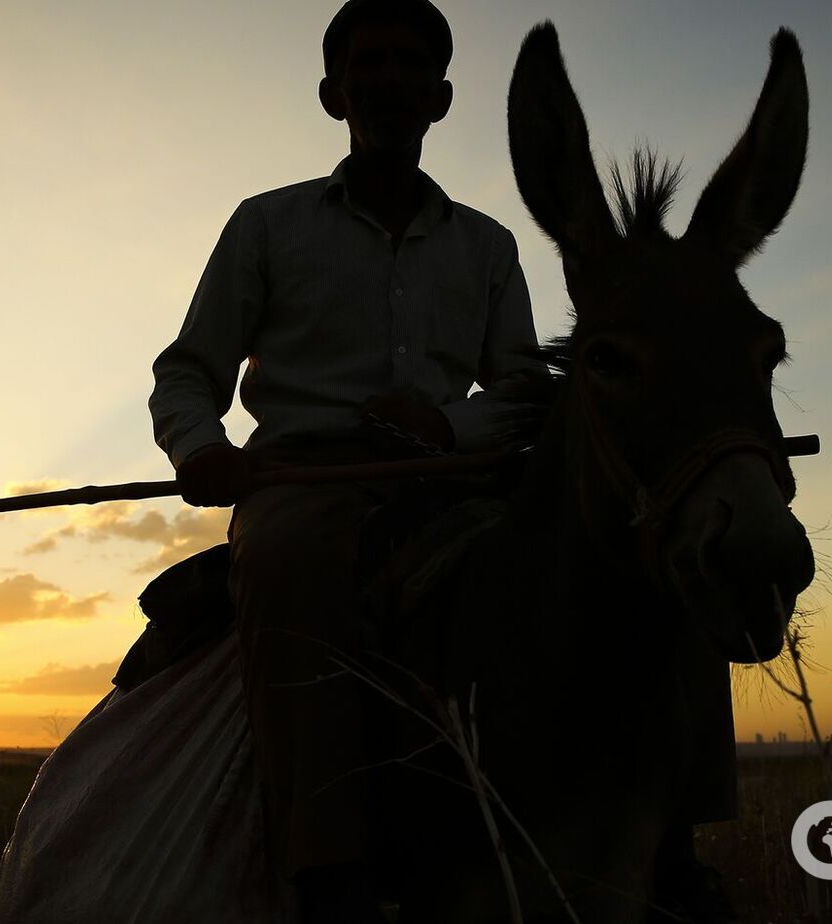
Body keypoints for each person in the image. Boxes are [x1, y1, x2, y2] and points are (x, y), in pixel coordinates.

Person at [147, 1, 539, 920]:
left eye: (414, 64)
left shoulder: (491, 246)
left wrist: (447, 430)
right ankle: (329, 872)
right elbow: (189, 370)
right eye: (371, 63)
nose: (392, 79)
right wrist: (203, 449)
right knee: (287, 570)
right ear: (334, 93)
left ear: (442, 98)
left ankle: (672, 841)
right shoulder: (266, 225)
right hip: (304, 482)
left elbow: (525, 391)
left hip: (452, 482)